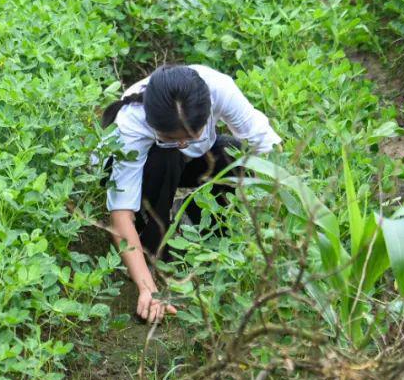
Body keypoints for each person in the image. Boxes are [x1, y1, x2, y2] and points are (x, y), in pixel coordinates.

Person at [101, 64, 281, 324]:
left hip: (192, 164)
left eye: (190, 136)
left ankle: (202, 229)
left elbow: (269, 148)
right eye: (173, 137)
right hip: (151, 171)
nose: (184, 143)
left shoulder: (219, 89)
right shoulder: (131, 124)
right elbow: (120, 216)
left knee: (238, 157)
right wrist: (146, 288)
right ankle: (153, 246)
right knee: (166, 157)